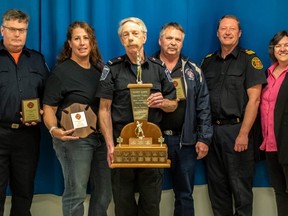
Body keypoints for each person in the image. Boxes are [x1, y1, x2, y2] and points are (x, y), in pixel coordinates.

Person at [96, 17, 177, 216]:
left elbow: (173, 103)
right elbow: (104, 109)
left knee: (151, 203)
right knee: (123, 203)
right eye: (126, 35)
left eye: (135, 33)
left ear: (144, 37)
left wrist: (162, 102)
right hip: (121, 144)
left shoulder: (159, 68)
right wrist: (110, 145)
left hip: (151, 144)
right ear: (121, 40)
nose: (131, 38)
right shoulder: (112, 68)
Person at [42, 21, 111, 216]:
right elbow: (48, 108)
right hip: (73, 140)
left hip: (100, 138)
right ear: (69, 43)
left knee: (104, 194)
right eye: (77, 38)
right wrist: (54, 130)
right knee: (76, 194)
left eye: (86, 38)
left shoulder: (100, 71)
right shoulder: (61, 72)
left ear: (92, 42)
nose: (82, 43)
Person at [201, 15, 267, 216]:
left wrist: (244, 133)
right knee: (217, 188)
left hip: (237, 131)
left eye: (232, 29)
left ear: (239, 33)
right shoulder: (207, 62)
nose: (227, 32)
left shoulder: (249, 59)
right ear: (217, 33)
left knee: (240, 188)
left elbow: (255, 100)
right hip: (212, 132)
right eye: (223, 28)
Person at [152, 22, 213, 216]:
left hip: (185, 142)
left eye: (177, 39)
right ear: (160, 40)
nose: (173, 43)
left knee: (185, 194)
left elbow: (203, 106)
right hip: (154, 141)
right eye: (169, 38)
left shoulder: (193, 70)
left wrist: (204, 138)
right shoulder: (146, 66)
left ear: (182, 43)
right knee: (150, 194)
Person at [0, 9, 49, 216]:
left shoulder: (36, 59)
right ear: (2, 30)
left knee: (24, 191)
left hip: (27, 136)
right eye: (12, 29)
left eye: (22, 30)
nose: (17, 34)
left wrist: (41, 110)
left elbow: (48, 96)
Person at [260, 30, 288, 216]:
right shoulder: (267, 74)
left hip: (287, 143)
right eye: (278, 45)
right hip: (271, 144)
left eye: (286, 45)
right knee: (280, 191)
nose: (282, 49)